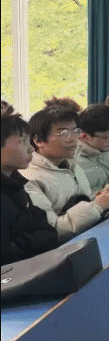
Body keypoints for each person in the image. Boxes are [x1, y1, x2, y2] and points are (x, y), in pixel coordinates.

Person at [21, 105, 109, 241]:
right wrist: (97, 206)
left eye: (75, 131)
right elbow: (52, 230)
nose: (73, 138)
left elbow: (84, 201)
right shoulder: (29, 179)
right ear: (39, 141)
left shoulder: (72, 165)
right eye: (64, 133)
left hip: (89, 236)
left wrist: (106, 197)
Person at [2, 110, 59, 264]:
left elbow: (48, 230)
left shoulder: (17, 185)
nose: (31, 148)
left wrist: (20, 243)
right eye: (22, 141)